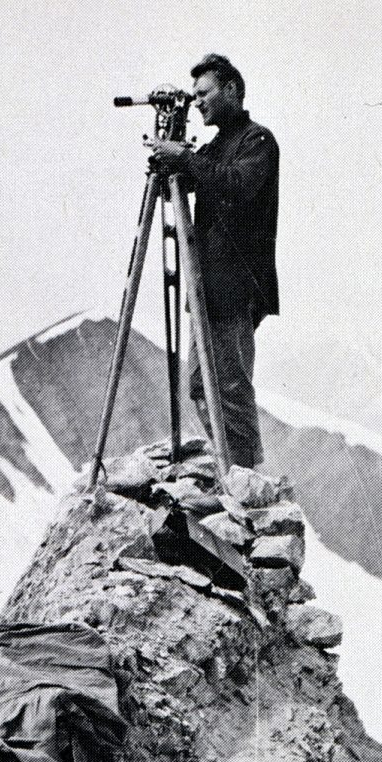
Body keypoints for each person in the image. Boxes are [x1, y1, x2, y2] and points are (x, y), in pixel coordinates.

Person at [146, 54, 279, 469]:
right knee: (203, 386)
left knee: (231, 386)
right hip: (207, 287)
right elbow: (186, 184)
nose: (198, 101)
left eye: (204, 94)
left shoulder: (258, 141)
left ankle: (245, 476)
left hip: (235, 288)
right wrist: (168, 158)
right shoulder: (217, 147)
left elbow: (237, 184)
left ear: (232, 90)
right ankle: (231, 465)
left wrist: (184, 157)